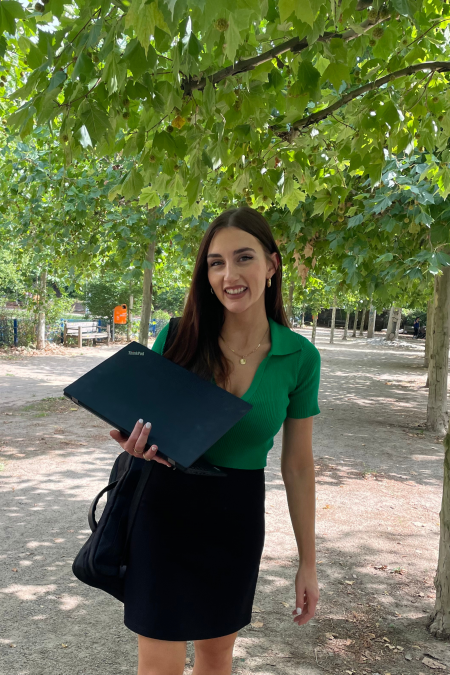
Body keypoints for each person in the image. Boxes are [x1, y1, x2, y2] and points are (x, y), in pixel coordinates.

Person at [109, 206, 321, 675]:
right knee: (159, 660)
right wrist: (135, 441)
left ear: (272, 264)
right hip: (163, 507)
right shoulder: (179, 337)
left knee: (216, 654)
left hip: (235, 515)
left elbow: (299, 465)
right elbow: (142, 421)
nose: (230, 274)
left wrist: (308, 561)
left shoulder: (299, 357)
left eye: (244, 258)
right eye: (216, 262)